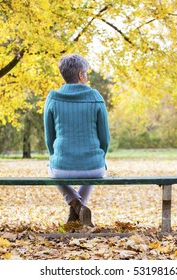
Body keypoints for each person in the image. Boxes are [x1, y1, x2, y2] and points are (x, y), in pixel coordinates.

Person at [43, 54, 110, 227]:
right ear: (81, 75)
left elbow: (49, 138)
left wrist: (56, 156)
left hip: (61, 167)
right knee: (93, 172)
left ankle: (76, 207)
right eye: (86, 73)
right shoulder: (96, 97)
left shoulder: (52, 98)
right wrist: (99, 158)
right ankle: (79, 209)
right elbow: (105, 139)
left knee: (51, 170)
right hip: (94, 168)